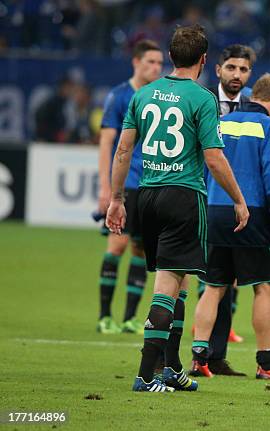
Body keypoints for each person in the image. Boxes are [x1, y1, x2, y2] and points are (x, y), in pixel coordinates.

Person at [106, 24, 249, 393]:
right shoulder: (202, 99)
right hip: (183, 197)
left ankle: (172, 368)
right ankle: (144, 375)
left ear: (170, 57)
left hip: (147, 195)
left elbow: (123, 150)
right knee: (169, 286)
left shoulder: (144, 94)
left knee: (180, 281)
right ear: (204, 60)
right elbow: (214, 159)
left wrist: (117, 197)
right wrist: (237, 198)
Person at [191, 73, 270, 381]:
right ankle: (267, 364)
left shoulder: (221, 123)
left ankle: (200, 358)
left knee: (214, 287)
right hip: (251, 212)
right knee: (265, 287)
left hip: (215, 209)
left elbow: (205, 165)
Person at [190, 44, 257, 378]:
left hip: (234, 203)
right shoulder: (202, 100)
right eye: (231, 68)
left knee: (225, 281)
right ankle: (172, 355)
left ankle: (214, 357)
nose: (237, 75)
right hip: (200, 198)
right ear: (217, 69)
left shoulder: (252, 108)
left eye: (243, 70)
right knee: (192, 280)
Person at [96, 40, 163, 335]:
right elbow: (107, 143)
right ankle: (104, 316)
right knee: (118, 244)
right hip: (126, 184)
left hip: (151, 183)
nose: (156, 68)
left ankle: (129, 318)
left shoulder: (159, 97)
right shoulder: (120, 96)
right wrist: (106, 188)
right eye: (150, 62)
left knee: (141, 249)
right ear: (136, 62)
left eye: (160, 63)